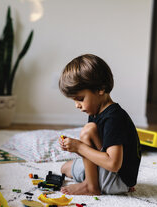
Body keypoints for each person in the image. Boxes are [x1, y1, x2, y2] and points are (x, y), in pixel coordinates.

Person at [58, 54, 141, 195]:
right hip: (106, 172)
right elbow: (96, 148)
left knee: (88, 131)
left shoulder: (115, 117)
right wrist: (75, 147)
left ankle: (91, 187)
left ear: (100, 89)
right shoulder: (95, 113)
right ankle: (92, 181)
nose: (77, 105)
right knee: (65, 168)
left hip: (117, 178)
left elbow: (113, 164)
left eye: (80, 99)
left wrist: (79, 146)